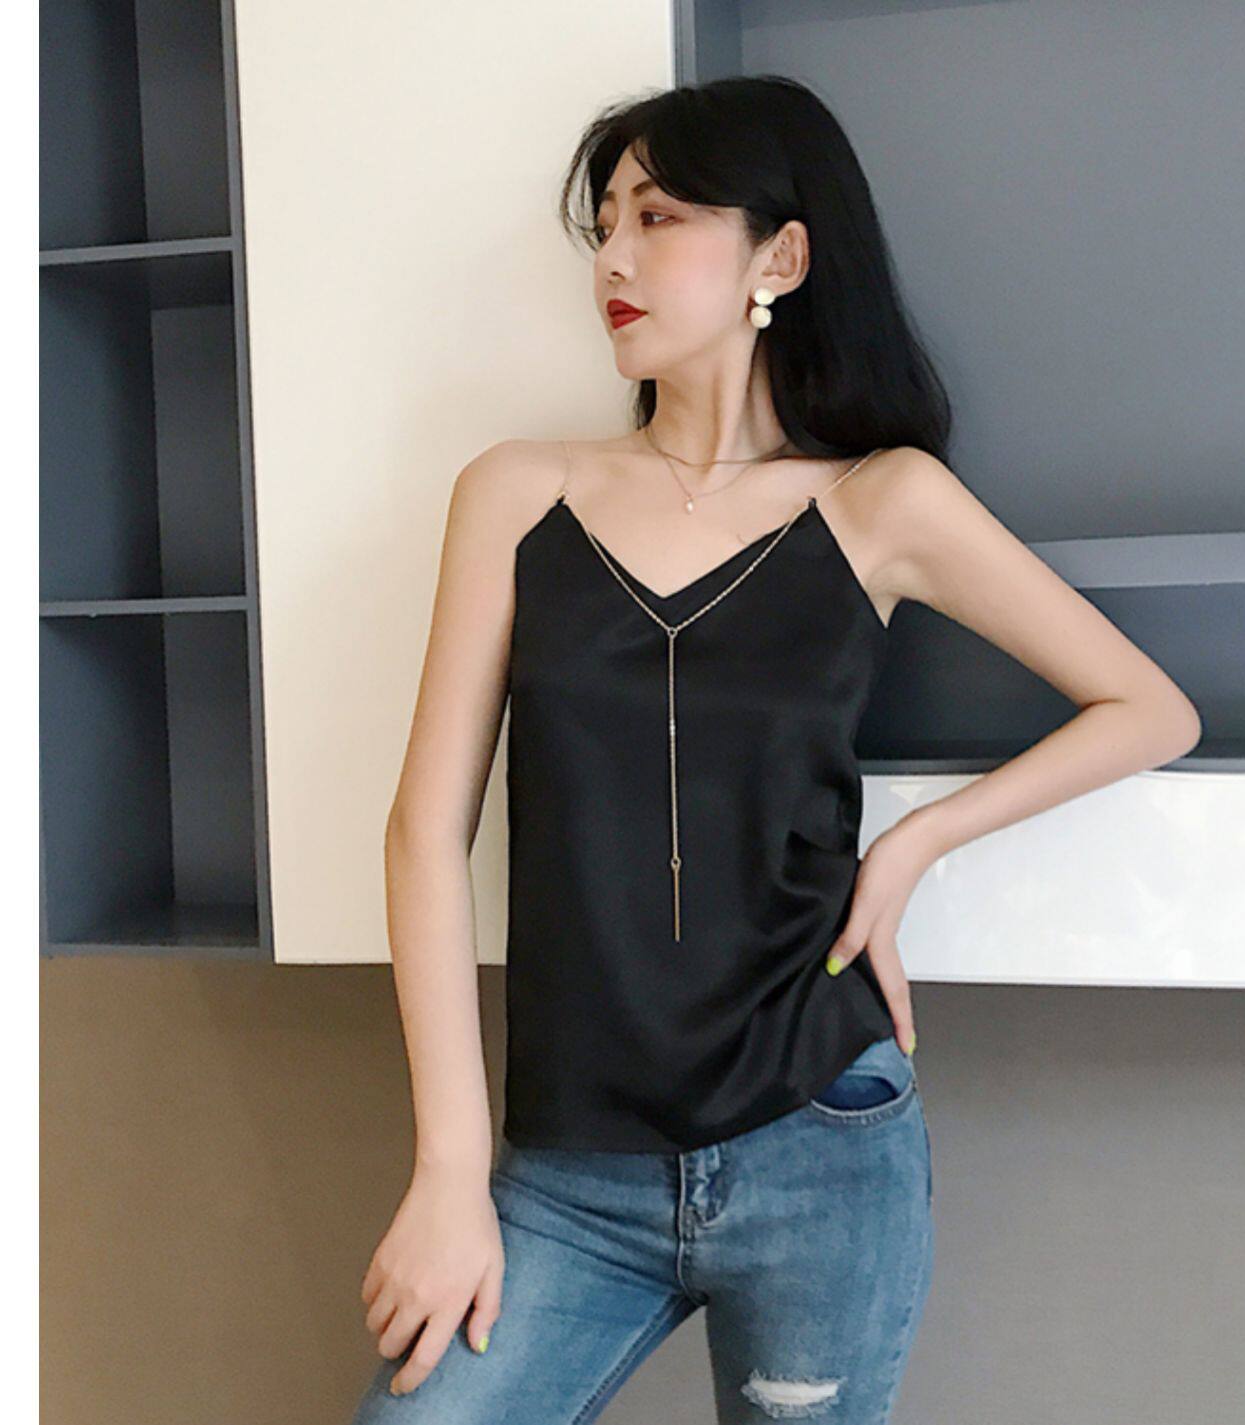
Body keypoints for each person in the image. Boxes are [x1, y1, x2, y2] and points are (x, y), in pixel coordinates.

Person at [350, 75, 1201, 1423]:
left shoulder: (883, 502)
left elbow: (1148, 708)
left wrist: (913, 845)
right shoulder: (516, 493)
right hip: (567, 1176)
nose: (613, 259)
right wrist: (448, 1173)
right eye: (605, 226)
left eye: (658, 217)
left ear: (780, 258)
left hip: (822, 1142)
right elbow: (422, 834)